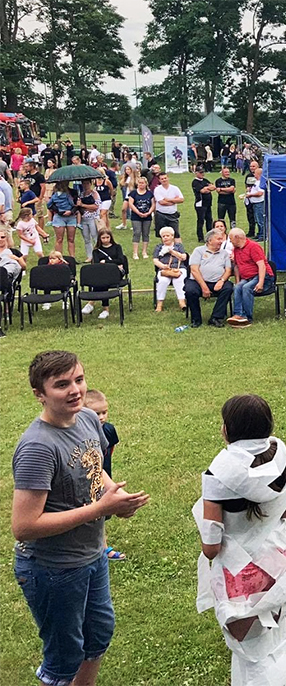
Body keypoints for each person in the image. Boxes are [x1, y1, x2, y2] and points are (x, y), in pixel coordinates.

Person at [12, 350, 150, 686]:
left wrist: (111, 494)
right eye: (61, 384)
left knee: (98, 636)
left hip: (92, 556)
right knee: (63, 657)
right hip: (53, 569)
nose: (75, 389)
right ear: (39, 394)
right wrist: (100, 509)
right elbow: (24, 526)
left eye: (78, 379)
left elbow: (93, 464)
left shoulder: (87, 418)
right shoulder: (38, 447)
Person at [194, 394, 286, 686]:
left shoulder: (217, 475)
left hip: (239, 577)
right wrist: (266, 518)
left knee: (251, 652)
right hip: (278, 562)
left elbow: (211, 547)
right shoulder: (279, 454)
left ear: (227, 429)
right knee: (277, 638)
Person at [82, 390, 124, 560]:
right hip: (87, 478)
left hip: (104, 476)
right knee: (92, 510)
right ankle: (102, 547)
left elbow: (109, 449)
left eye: (104, 412)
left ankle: (99, 545)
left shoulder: (108, 430)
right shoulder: (82, 433)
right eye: (96, 413)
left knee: (103, 511)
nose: (101, 417)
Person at [228, 228, 275, 328]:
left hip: (263, 276)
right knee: (237, 287)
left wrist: (261, 282)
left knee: (246, 288)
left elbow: (261, 265)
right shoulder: (236, 249)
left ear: (237, 238)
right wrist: (237, 281)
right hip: (247, 277)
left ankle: (247, 317)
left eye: (231, 238)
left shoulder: (253, 247)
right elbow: (236, 266)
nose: (230, 241)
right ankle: (238, 314)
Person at [186, 229, 234, 327]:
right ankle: (196, 319)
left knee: (228, 287)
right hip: (198, 281)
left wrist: (222, 280)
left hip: (217, 282)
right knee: (190, 290)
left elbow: (228, 270)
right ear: (210, 240)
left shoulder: (224, 253)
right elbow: (194, 270)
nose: (221, 241)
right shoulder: (198, 251)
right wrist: (204, 287)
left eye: (222, 239)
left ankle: (216, 318)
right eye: (218, 239)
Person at [153, 227, 188, 313]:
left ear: (172, 236)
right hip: (165, 269)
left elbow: (184, 257)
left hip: (179, 268)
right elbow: (155, 260)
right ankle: (159, 304)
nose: (165, 237)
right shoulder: (158, 247)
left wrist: (173, 252)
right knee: (163, 281)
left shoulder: (178, 246)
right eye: (163, 236)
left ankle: (182, 302)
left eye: (167, 235)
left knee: (179, 280)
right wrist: (163, 266)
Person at [126, 175, 155, 260]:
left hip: (147, 216)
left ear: (146, 184)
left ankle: (144, 251)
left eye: (142, 183)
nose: (141, 184)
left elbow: (153, 204)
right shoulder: (133, 193)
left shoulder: (150, 193)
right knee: (137, 232)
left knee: (146, 233)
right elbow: (130, 204)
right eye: (139, 183)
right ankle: (135, 252)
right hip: (136, 216)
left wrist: (149, 212)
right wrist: (138, 212)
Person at [48, 180, 79, 256]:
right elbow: (51, 205)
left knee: (71, 239)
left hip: (71, 216)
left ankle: (72, 257)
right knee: (59, 239)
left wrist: (71, 211)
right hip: (59, 216)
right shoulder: (55, 193)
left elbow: (77, 205)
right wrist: (59, 211)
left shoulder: (73, 192)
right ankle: (59, 257)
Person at [76, 179, 101, 259]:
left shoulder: (94, 194)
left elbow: (96, 207)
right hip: (84, 218)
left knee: (95, 236)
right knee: (86, 238)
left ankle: (98, 255)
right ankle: (89, 256)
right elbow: (79, 206)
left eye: (87, 183)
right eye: (84, 183)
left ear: (90, 184)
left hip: (92, 218)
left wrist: (83, 205)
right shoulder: (82, 194)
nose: (85, 185)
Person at [191, 168, 215, 243]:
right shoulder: (195, 182)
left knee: (209, 220)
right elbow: (202, 191)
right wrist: (207, 188)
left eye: (203, 172)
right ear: (196, 173)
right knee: (201, 220)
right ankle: (200, 237)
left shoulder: (205, 180)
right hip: (200, 204)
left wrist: (207, 188)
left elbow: (213, 187)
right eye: (200, 173)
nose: (202, 174)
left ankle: (210, 236)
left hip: (208, 204)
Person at [245, 167, 266, 240]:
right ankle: (260, 233)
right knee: (257, 219)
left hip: (259, 203)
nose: (254, 175)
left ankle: (263, 235)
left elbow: (260, 193)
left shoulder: (260, 182)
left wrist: (250, 195)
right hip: (255, 203)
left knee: (260, 220)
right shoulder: (256, 182)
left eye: (255, 173)